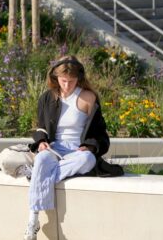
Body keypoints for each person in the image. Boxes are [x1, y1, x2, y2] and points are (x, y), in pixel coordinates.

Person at [23, 55, 110, 240]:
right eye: (63, 81)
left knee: (87, 160)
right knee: (42, 158)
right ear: (55, 78)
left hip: (77, 152)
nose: (67, 85)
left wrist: (90, 146)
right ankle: (33, 220)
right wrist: (41, 142)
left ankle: (38, 175)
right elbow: (41, 127)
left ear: (79, 78)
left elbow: (100, 132)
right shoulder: (48, 97)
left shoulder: (88, 97)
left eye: (72, 81)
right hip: (55, 148)